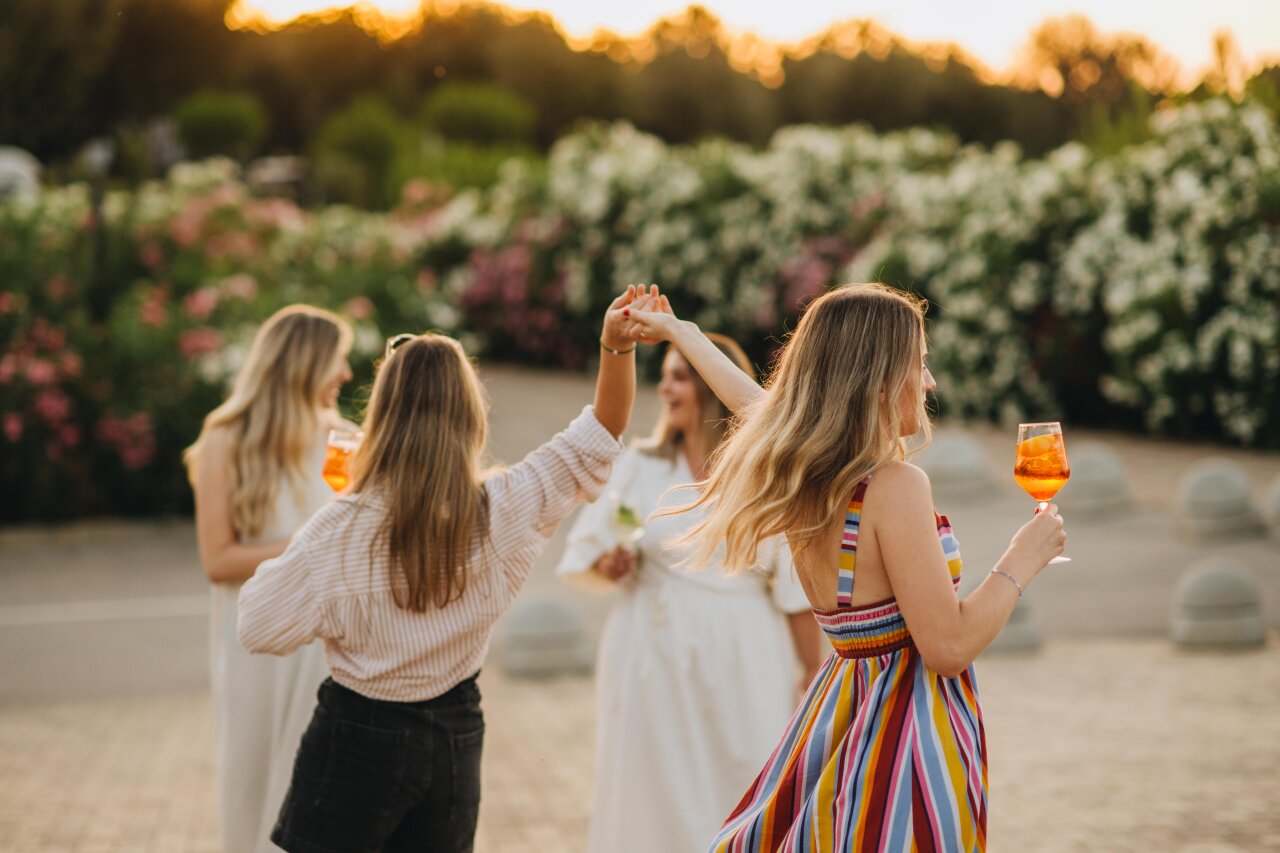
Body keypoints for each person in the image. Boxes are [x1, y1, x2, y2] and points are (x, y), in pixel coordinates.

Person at [624, 284, 1067, 852]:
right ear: (880, 379)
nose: (929, 383)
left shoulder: (805, 471)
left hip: (840, 712)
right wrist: (1023, 559)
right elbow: (949, 646)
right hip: (906, 734)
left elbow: (752, 404)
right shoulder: (895, 486)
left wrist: (680, 331)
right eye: (920, 366)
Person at [236, 285, 657, 853]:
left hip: (356, 734)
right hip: (453, 737)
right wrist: (615, 347)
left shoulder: (340, 528)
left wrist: (319, 563)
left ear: (382, 414)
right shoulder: (505, 504)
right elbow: (602, 434)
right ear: (470, 415)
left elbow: (257, 625)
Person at [555, 334, 827, 853]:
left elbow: (794, 582)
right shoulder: (641, 465)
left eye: (679, 376)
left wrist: (810, 673)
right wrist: (611, 561)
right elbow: (593, 542)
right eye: (665, 375)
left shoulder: (760, 474)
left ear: (710, 388)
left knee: (745, 777)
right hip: (650, 651)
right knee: (648, 787)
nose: (664, 388)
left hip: (745, 652)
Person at [183, 304, 355, 853]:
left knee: (316, 789)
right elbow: (218, 560)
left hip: (327, 643)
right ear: (305, 365)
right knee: (252, 783)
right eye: (339, 362)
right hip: (253, 644)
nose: (347, 375)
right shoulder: (226, 438)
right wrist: (311, 543)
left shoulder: (346, 440)